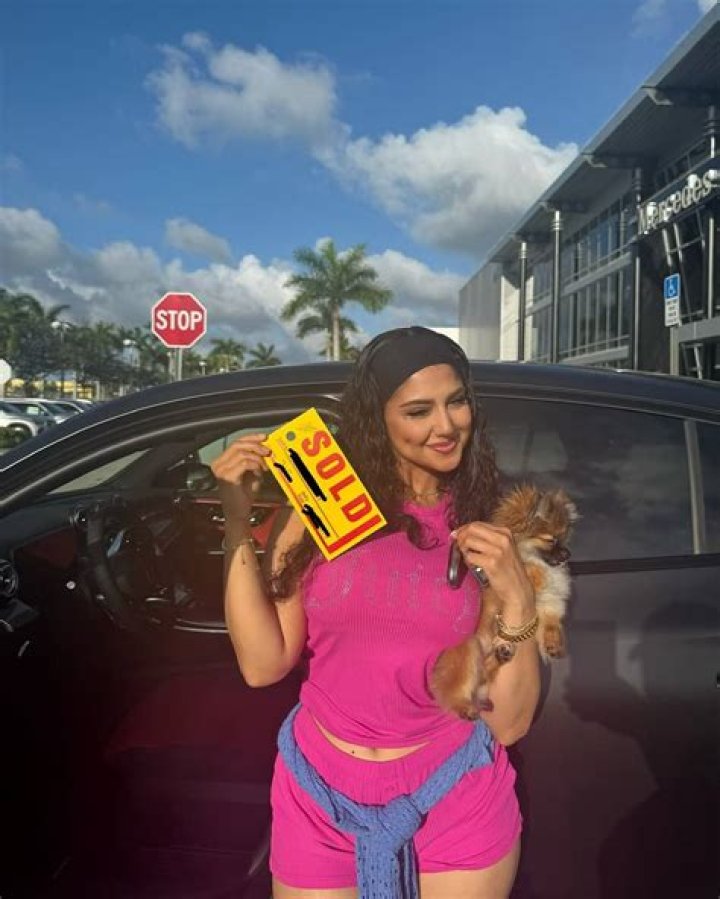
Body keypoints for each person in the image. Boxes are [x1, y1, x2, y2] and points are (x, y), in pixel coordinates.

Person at [211, 326, 540, 899]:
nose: (446, 426)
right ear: (376, 419)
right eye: (418, 411)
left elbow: (508, 724)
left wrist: (519, 595)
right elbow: (263, 663)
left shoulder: (491, 519)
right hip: (319, 794)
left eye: (457, 402)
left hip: (452, 793)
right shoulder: (324, 501)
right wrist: (237, 520)